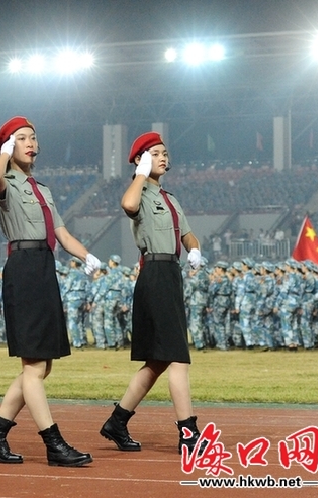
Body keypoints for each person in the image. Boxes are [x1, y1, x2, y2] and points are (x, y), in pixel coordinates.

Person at [0, 116, 101, 467]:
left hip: (44, 266)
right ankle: (53, 442)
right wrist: (2, 155)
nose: (31, 143)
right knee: (33, 365)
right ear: (6, 147)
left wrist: (87, 255)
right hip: (24, 266)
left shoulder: (41, 189)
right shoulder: (5, 181)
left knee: (41, 365)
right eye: (21, 138)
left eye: (33, 137)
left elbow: (61, 233)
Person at [99, 132, 205, 456]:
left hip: (170, 274)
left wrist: (195, 249)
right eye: (154, 153)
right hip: (155, 273)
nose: (163, 157)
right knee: (178, 358)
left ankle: (117, 421)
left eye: (163, 153)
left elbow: (187, 233)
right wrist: (140, 173)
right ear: (140, 160)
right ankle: (188, 433)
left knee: (157, 362)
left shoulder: (170, 199)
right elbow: (128, 204)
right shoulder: (140, 191)